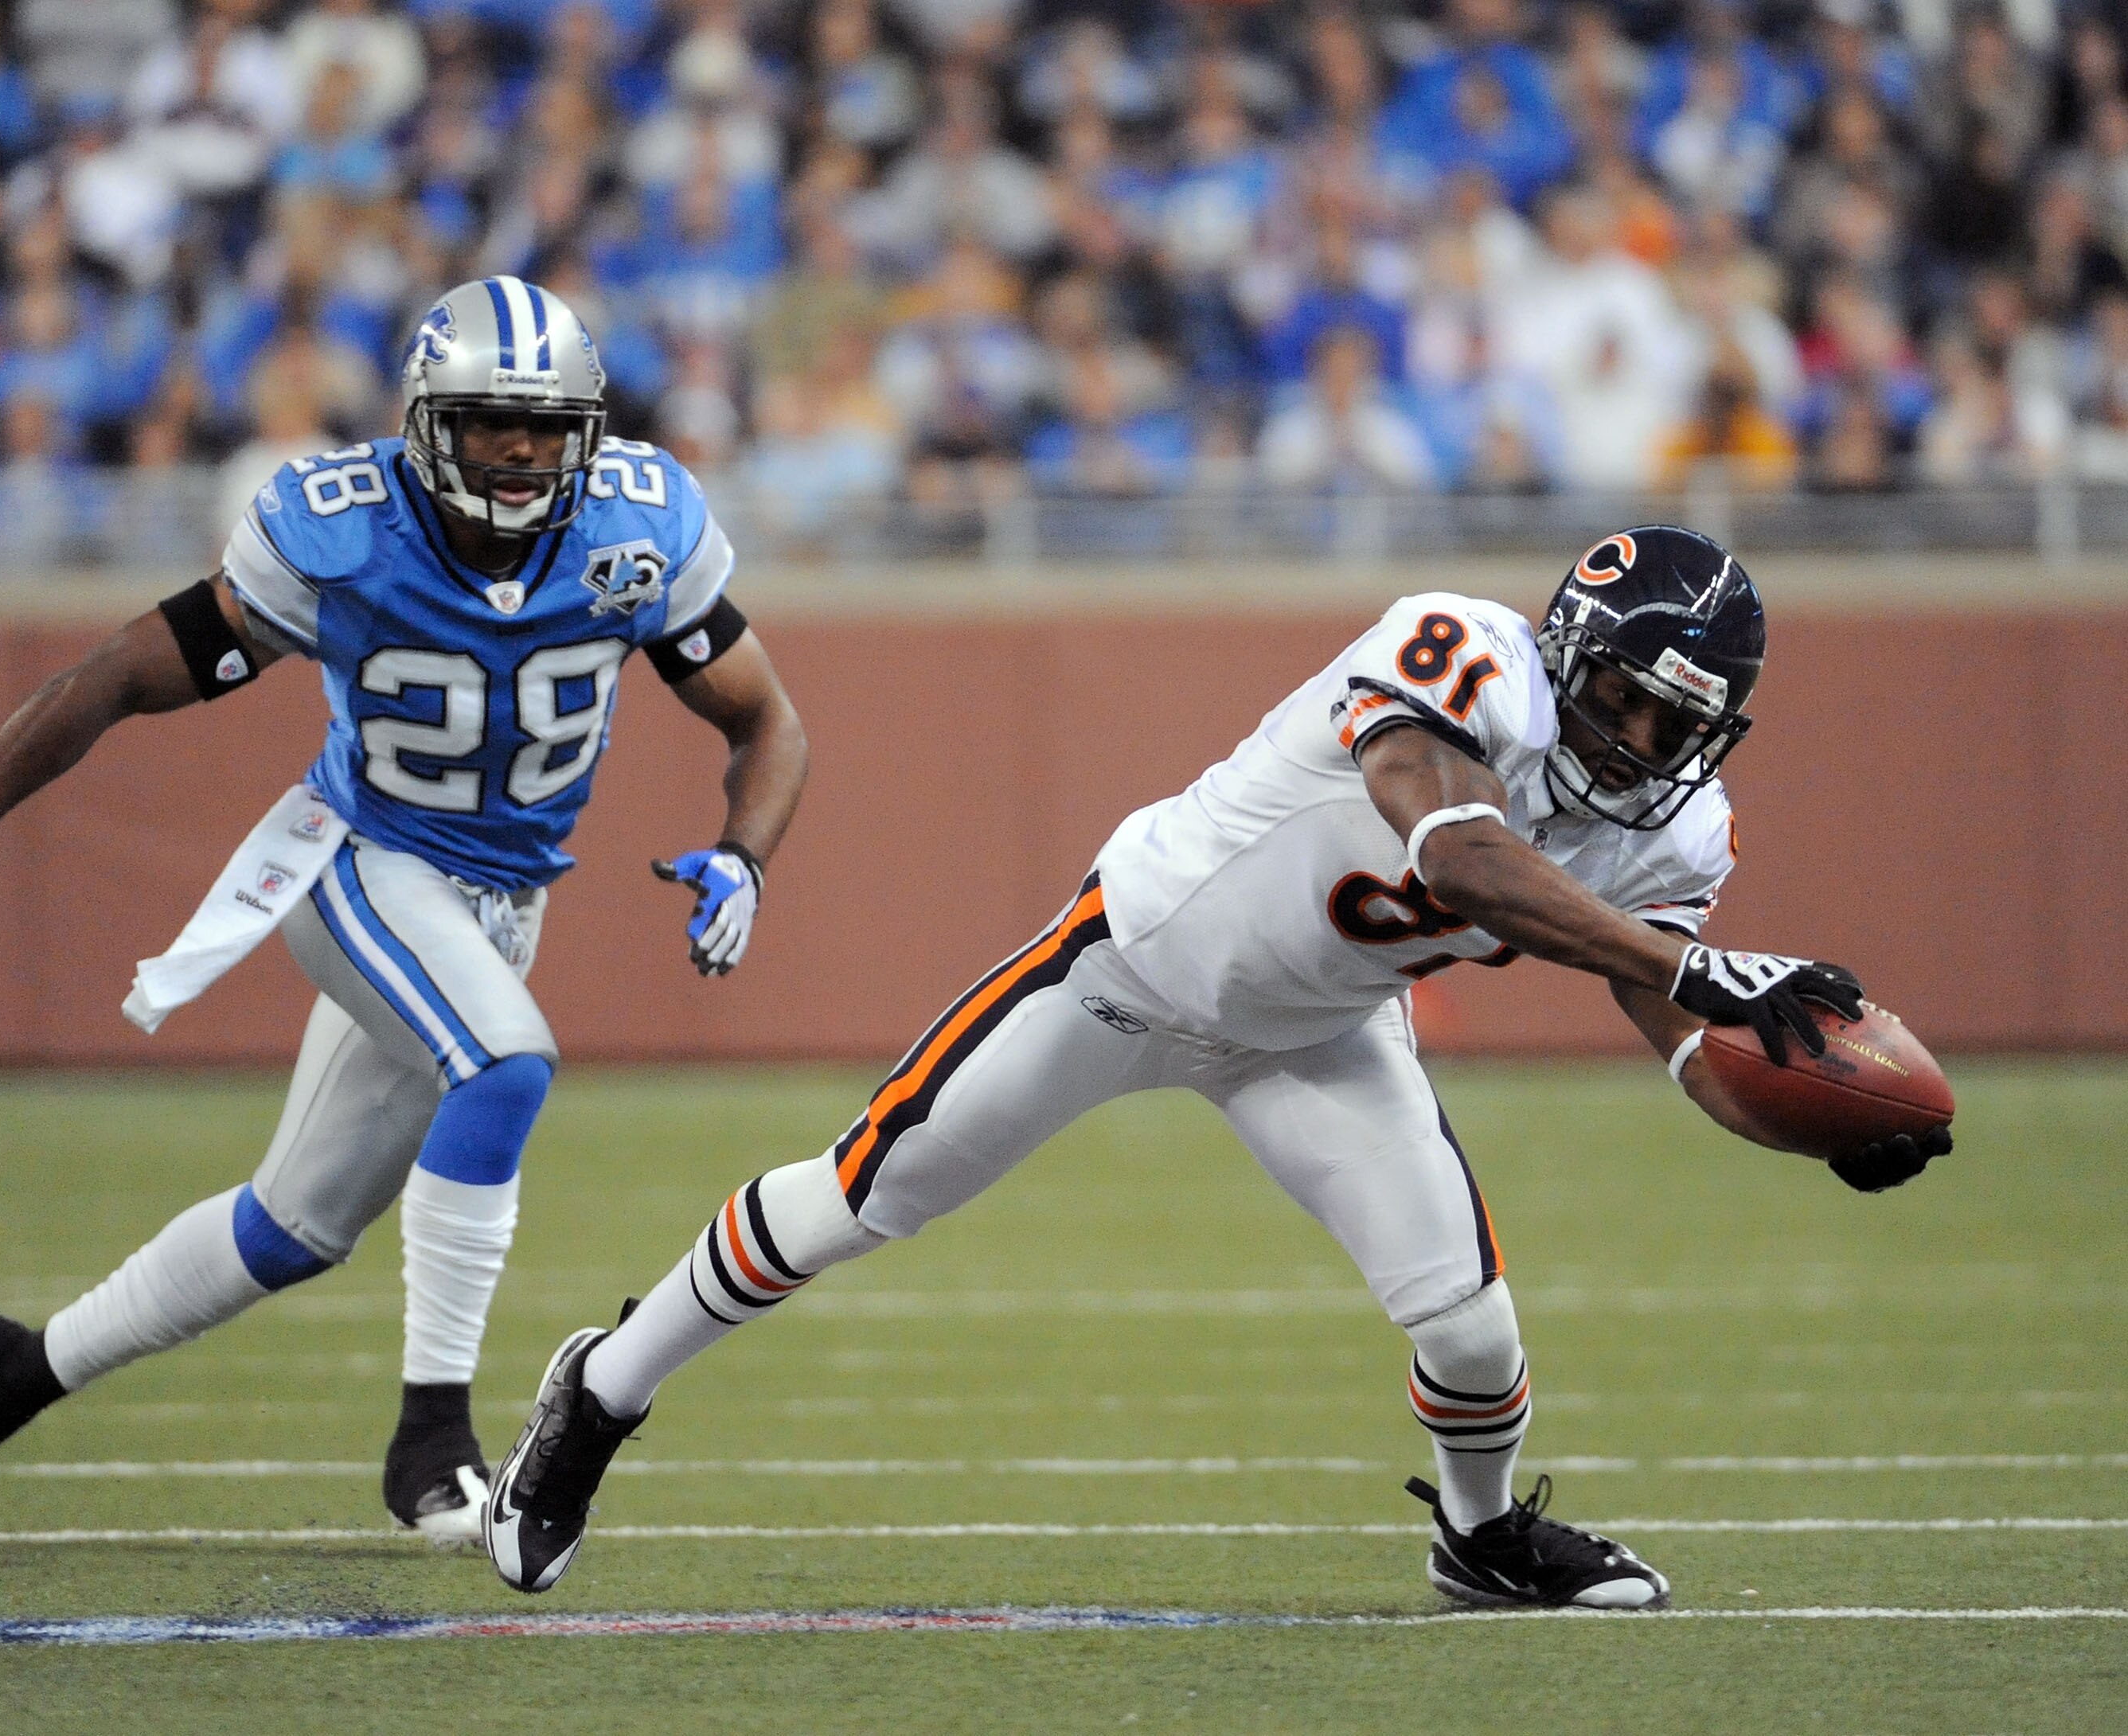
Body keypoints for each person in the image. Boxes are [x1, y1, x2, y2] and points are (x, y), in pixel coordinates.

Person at [481, 525, 1951, 1608]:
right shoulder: (1464, 651)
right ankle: (601, 1391)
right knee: (854, 1199)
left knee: (1474, 1327)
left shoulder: (1681, 835)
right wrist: (1702, 969)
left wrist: (1803, 1108)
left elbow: (1673, 1024)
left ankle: (1479, 1537)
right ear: (1567, 645)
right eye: (1628, 697)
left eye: (1678, 721)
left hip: (1321, 1030)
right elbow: (1460, 850)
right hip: (1128, 961)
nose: (1642, 742)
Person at [0, 276, 808, 1547]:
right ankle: (435, 1439)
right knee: (505, 1064)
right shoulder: (342, 531)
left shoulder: (639, 523)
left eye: (546, 426)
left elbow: (766, 719)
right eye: (491, 420)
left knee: (291, 1230)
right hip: (361, 858)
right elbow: (116, 674)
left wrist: (745, 856)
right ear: (426, 420)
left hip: (499, 902)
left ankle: (6, 1373)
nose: (520, 449)